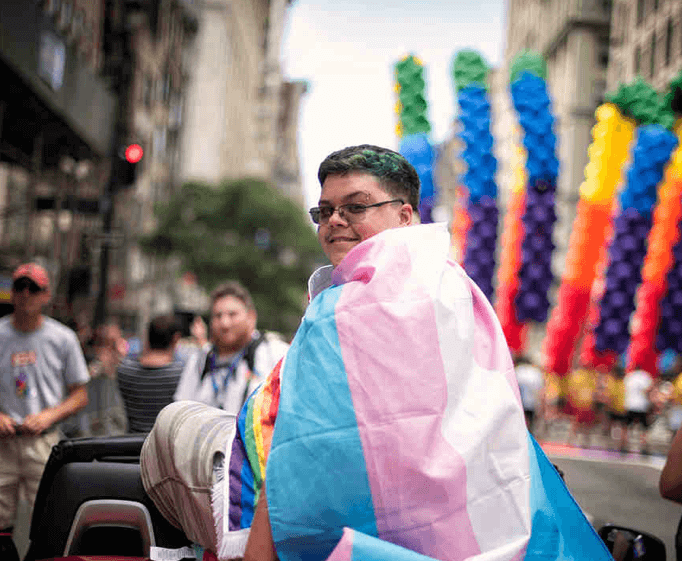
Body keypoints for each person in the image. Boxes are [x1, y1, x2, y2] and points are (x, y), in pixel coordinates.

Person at [141, 145, 610, 561]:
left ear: (406, 216)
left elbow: (296, 449)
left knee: (174, 426)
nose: (334, 221)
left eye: (355, 207)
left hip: (358, 521)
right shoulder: (457, 288)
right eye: (324, 211)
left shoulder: (340, 309)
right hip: (481, 518)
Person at [0, 263, 89, 550]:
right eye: (20, 287)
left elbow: (80, 395)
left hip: (44, 442)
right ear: (11, 292)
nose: (26, 294)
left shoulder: (62, 338)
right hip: (4, 442)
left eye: (33, 288)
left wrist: (49, 415)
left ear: (45, 295)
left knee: (48, 521)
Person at [173, 281, 289, 415]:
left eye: (232, 314)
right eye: (218, 316)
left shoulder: (275, 354)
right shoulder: (200, 359)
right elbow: (180, 410)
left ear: (251, 317)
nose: (224, 323)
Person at [116, 314, 184, 433]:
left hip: (132, 445)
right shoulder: (182, 374)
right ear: (176, 338)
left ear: (148, 337)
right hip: (167, 447)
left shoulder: (125, 370)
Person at [620, 367, 654, 454]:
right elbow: (648, 390)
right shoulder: (645, 376)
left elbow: (624, 390)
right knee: (644, 429)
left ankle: (623, 446)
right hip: (641, 405)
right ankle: (643, 448)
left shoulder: (629, 376)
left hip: (630, 404)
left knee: (626, 427)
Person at [513, 355, 544, 434]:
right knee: (531, 422)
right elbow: (540, 389)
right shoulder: (536, 372)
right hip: (532, 402)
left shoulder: (518, 371)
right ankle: (529, 437)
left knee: (519, 421)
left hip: (520, 401)